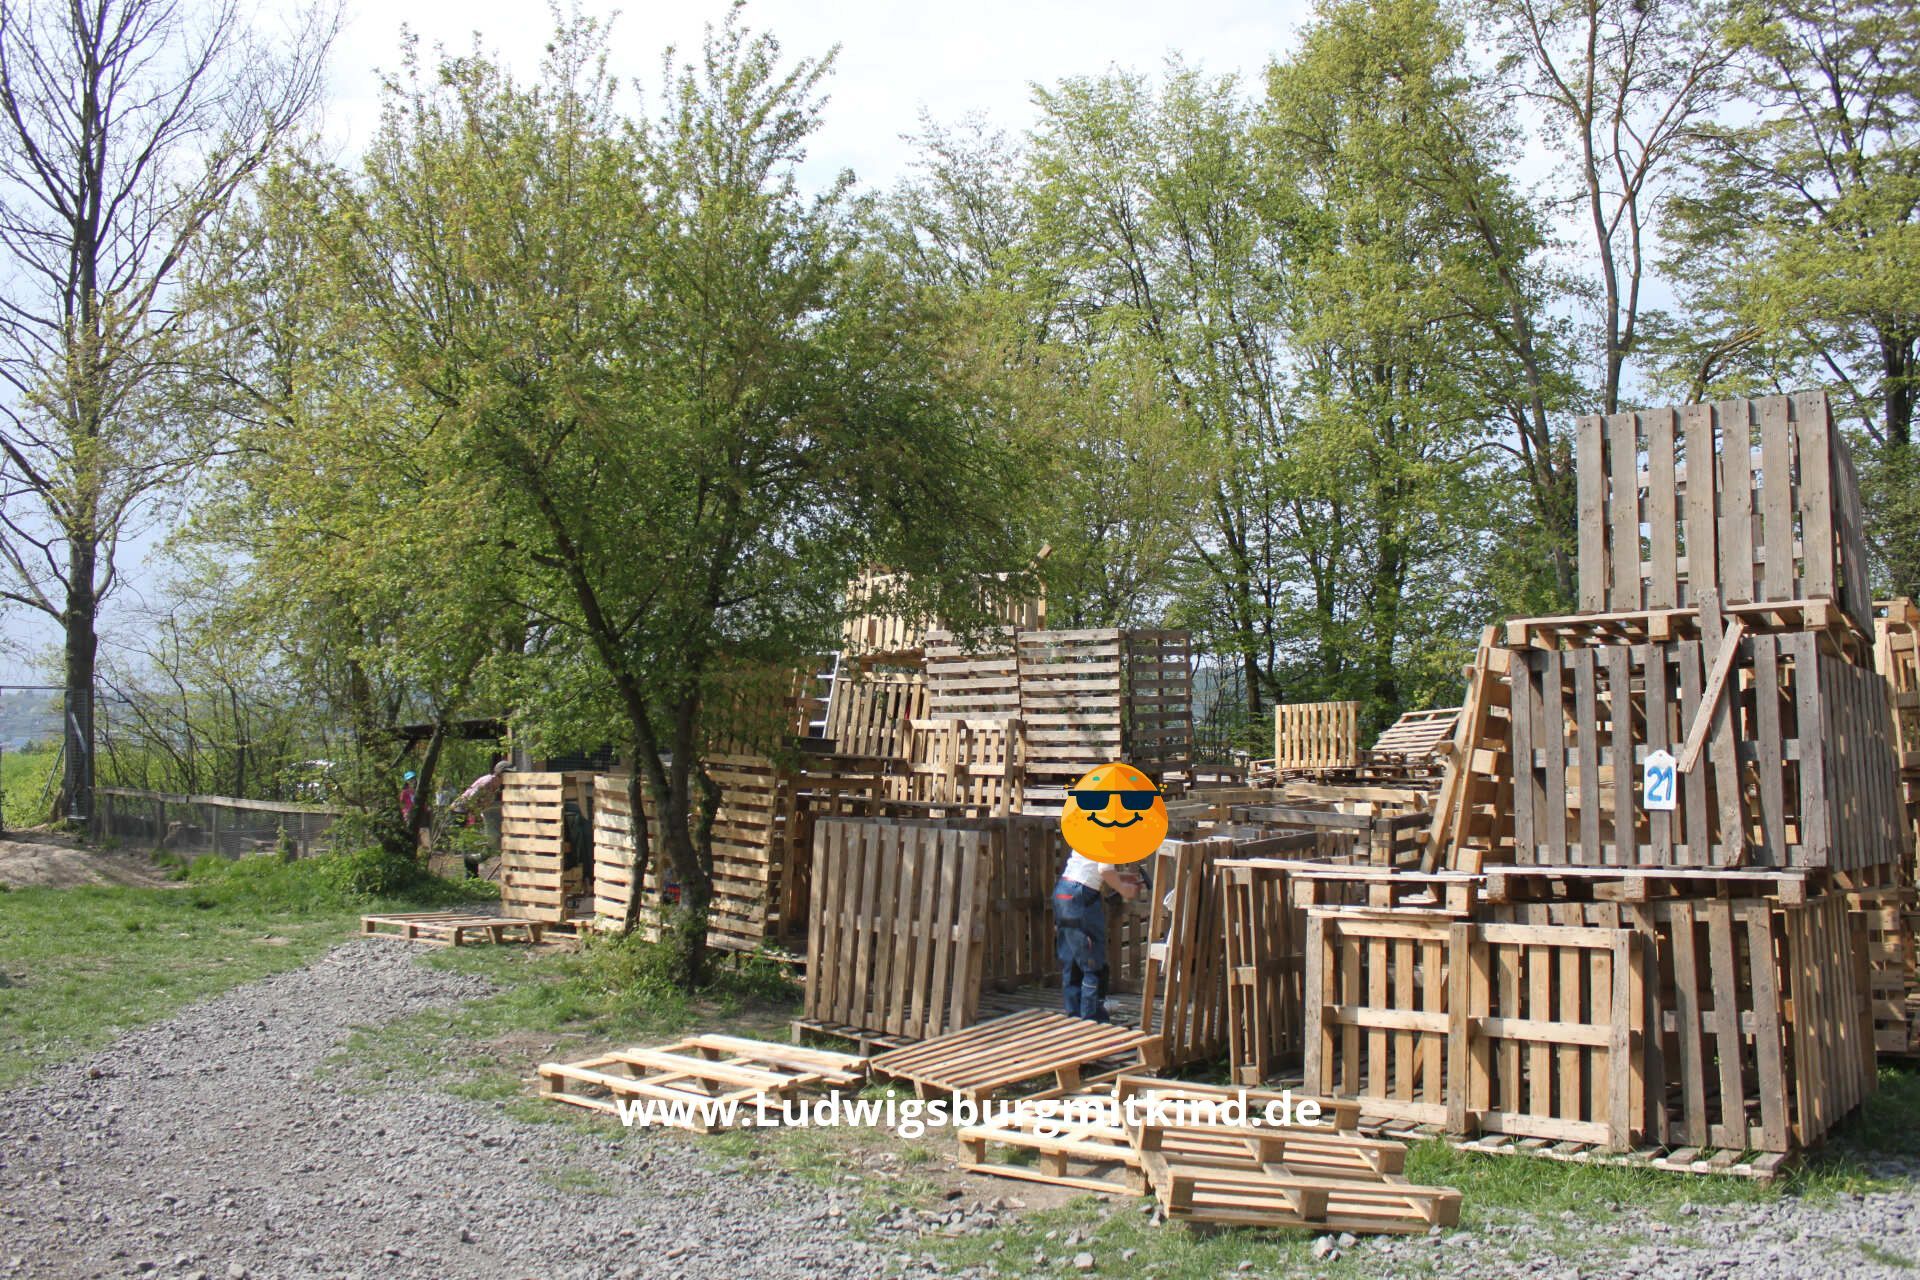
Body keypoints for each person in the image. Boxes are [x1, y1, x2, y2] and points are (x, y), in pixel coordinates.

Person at [1053, 850, 1144, 1022]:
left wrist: (1120, 878)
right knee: (1092, 960)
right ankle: (1092, 1019)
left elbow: (1090, 867)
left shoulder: (1088, 833)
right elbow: (1104, 869)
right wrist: (1123, 889)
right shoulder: (1108, 835)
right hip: (1082, 895)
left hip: (1064, 890)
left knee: (1071, 960)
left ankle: (1074, 1016)